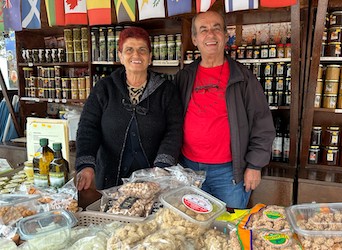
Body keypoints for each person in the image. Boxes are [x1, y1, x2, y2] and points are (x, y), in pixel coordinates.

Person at [175, 11, 276, 209]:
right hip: (188, 170)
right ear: (194, 39)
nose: (210, 35)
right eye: (203, 30)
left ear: (225, 35)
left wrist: (255, 165)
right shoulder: (183, 78)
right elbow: (171, 123)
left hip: (229, 172)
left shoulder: (244, 78)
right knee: (191, 229)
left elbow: (262, 125)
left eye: (216, 28)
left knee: (229, 228)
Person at [75, 27, 183, 191]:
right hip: (111, 178)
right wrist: (86, 165)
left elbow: (174, 130)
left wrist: (162, 166)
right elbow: (88, 127)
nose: (136, 55)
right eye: (129, 50)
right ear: (120, 56)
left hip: (154, 179)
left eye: (142, 50)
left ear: (150, 56)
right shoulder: (105, 88)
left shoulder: (166, 90)